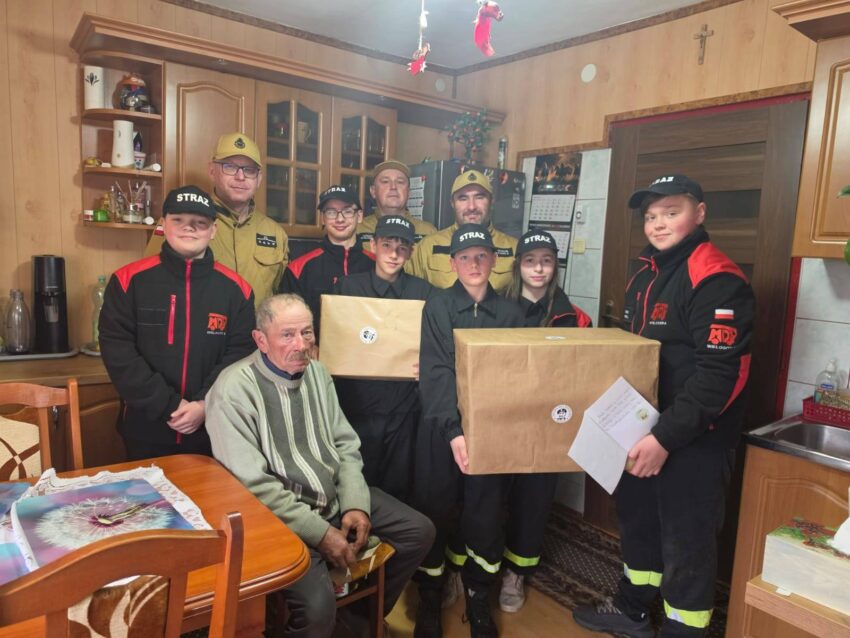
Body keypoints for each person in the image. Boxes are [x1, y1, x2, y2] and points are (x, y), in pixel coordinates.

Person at [572, 174, 755, 638]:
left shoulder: (716, 278)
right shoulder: (646, 273)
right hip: (642, 429)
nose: (658, 224)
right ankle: (632, 609)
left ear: (700, 213)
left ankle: (683, 630)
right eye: (651, 216)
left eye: (671, 213)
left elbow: (721, 377)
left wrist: (664, 439)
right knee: (639, 524)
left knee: (687, 544)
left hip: (692, 440)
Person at [205, 294, 435, 638]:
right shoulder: (232, 390)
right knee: (317, 610)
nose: (301, 345)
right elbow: (253, 487)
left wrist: (356, 504)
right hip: (280, 521)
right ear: (260, 340)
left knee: (419, 531)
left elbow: (345, 445)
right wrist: (321, 533)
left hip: (331, 497)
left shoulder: (317, 372)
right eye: (287, 335)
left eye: (307, 333)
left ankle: (358, 618)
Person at [415, 224, 525, 638]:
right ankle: (430, 598)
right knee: (436, 509)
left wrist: (491, 429)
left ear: (494, 260)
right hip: (442, 429)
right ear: (452, 263)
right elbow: (437, 371)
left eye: (481, 256)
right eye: (465, 257)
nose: (474, 264)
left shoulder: (512, 314)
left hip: (491, 433)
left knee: (486, 515)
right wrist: (453, 431)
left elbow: (517, 376)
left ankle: (478, 599)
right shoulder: (438, 307)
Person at [99, 185, 256, 461]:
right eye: (178, 220)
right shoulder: (127, 281)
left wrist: (204, 404)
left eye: (199, 222)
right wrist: (169, 405)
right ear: (163, 224)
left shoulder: (237, 290)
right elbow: (119, 352)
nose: (189, 228)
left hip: (213, 429)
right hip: (145, 429)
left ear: (213, 230)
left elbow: (240, 355)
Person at [486, 229, 592, 614]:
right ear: (518, 266)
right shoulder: (495, 307)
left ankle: (516, 572)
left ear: (555, 267)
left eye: (546, 261)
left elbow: (585, 371)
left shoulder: (575, 317)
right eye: (530, 261)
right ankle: (480, 566)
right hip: (502, 417)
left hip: (548, 422)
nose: (538, 269)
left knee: (534, 500)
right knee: (490, 497)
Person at [333, 215, 434, 502]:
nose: (394, 254)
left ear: (411, 252)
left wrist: (427, 363)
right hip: (357, 402)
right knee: (356, 478)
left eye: (402, 248)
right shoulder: (348, 288)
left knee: (398, 483)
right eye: (387, 245)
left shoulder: (424, 292)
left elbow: (435, 342)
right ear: (373, 245)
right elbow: (333, 338)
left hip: (403, 404)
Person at [145, 132, 288, 307]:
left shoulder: (276, 233)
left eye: (249, 170)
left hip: (257, 325)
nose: (240, 177)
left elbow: (282, 298)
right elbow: (151, 281)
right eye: (230, 167)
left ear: (259, 179)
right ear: (212, 171)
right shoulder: (180, 222)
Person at [279, 185, 374, 341]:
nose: (340, 219)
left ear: (359, 216)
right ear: (323, 218)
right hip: (316, 353)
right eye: (331, 212)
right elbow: (287, 322)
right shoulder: (298, 269)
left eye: (347, 211)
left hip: (370, 351)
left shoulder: (377, 266)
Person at [407, 170, 517, 292]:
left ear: (491, 200)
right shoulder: (427, 247)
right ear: (452, 203)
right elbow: (408, 293)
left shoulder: (514, 248)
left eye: (479, 197)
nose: (471, 207)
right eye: (463, 198)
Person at [355, 160, 437, 250]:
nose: (393, 187)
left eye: (400, 182)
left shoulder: (428, 232)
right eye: (385, 181)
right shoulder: (357, 230)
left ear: (409, 192)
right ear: (373, 191)